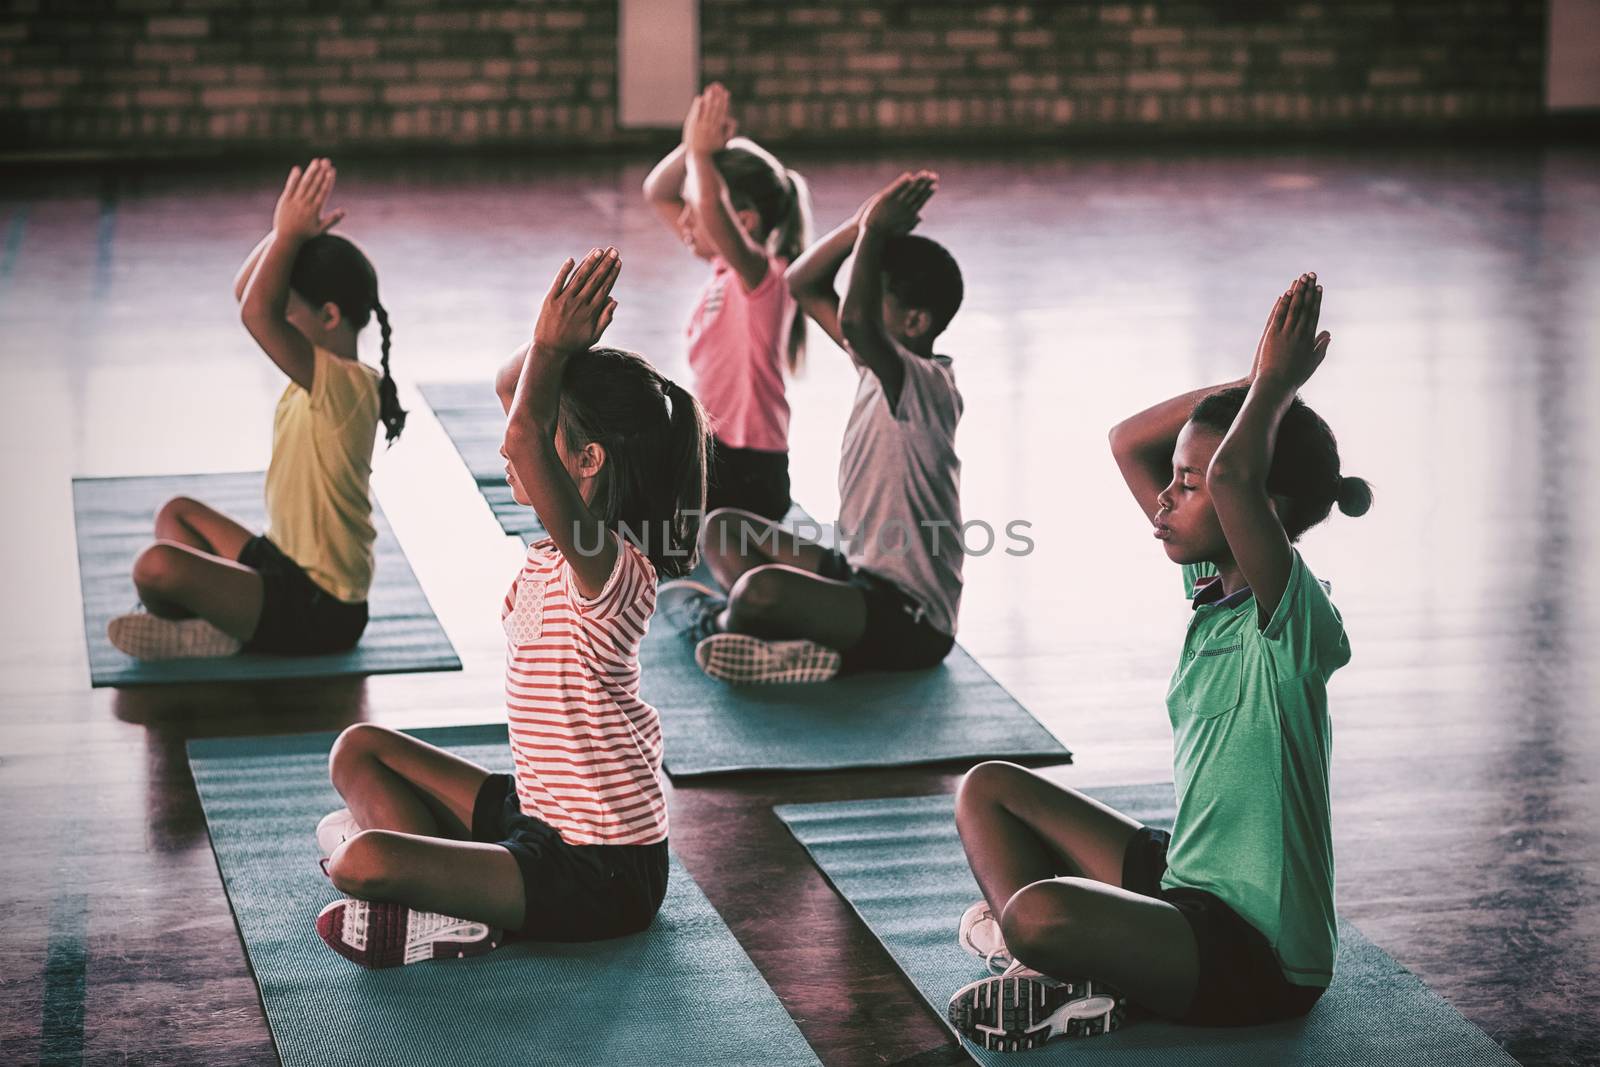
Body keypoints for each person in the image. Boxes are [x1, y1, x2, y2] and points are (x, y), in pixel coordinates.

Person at [946, 274, 1372, 1050]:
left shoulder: (1298, 623)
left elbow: (1236, 475)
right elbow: (1127, 440)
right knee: (988, 789)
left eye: (1189, 485)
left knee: (1042, 909)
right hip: (1187, 880)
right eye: (1173, 482)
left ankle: (1061, 955)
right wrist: (1251, 387)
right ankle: (1046, 961)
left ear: (1260, 510)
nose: (1164, 500)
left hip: (1259, 953)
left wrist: (1274, 387)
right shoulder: (1211, 587)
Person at [314, 248, 712, 968]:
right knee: (357, 749)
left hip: (603, 871)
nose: (508, 442)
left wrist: (557, 349)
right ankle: (443, 890)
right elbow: (516, 396)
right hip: (537, 814)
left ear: (587, 461)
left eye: (534, 433)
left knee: (356, 859)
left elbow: (526, 436)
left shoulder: (613, 565)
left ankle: (448, 904)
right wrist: (554, 347)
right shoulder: (560, 553)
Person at [657, 171, 965, 686]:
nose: (850, 312)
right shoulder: (879, 368)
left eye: (871, 299)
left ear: (914, 322)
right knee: (723, 529)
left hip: (911, 623)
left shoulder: (924, 385)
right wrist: (860, 224)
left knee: (762, 592)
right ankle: (784, 637)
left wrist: (872, 237)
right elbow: (803, 283)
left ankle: (715, 623)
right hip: (858, 576)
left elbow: (859, 324)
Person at [108, 158, 405, 660]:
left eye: (290, 313)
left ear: (329, 316)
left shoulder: (346, 387)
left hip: (322, 608)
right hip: (281, 562)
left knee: (154, 568)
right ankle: (222, 622)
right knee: (176, 514)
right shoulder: (318, 376)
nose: (279, 324)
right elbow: (248, 295)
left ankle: (216, 630)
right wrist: (281, 234)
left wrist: (288, 237)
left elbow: (254, 312)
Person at [643, 82, 810, 521]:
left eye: (693, 209)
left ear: (746, 221)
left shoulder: (764, 279)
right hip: (714, 454)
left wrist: (701, 158)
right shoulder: (723, 271)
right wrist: (690, 145)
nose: (683, 219)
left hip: (751, 467)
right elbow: (657, 192)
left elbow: (711, 205)